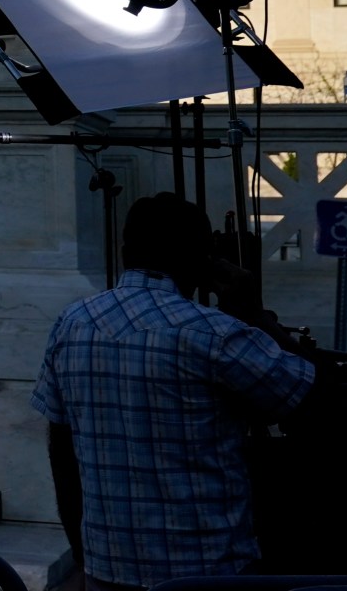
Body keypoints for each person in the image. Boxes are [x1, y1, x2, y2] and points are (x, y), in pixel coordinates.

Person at [34, 193, 315, 589]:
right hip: (206, 571)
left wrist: (83, 550)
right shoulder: (213, 333)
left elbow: (61, 448)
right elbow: (309, 397)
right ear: (202, 260)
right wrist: (254, 314)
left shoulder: (72, 323)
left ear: (125, 252)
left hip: (105, 565)